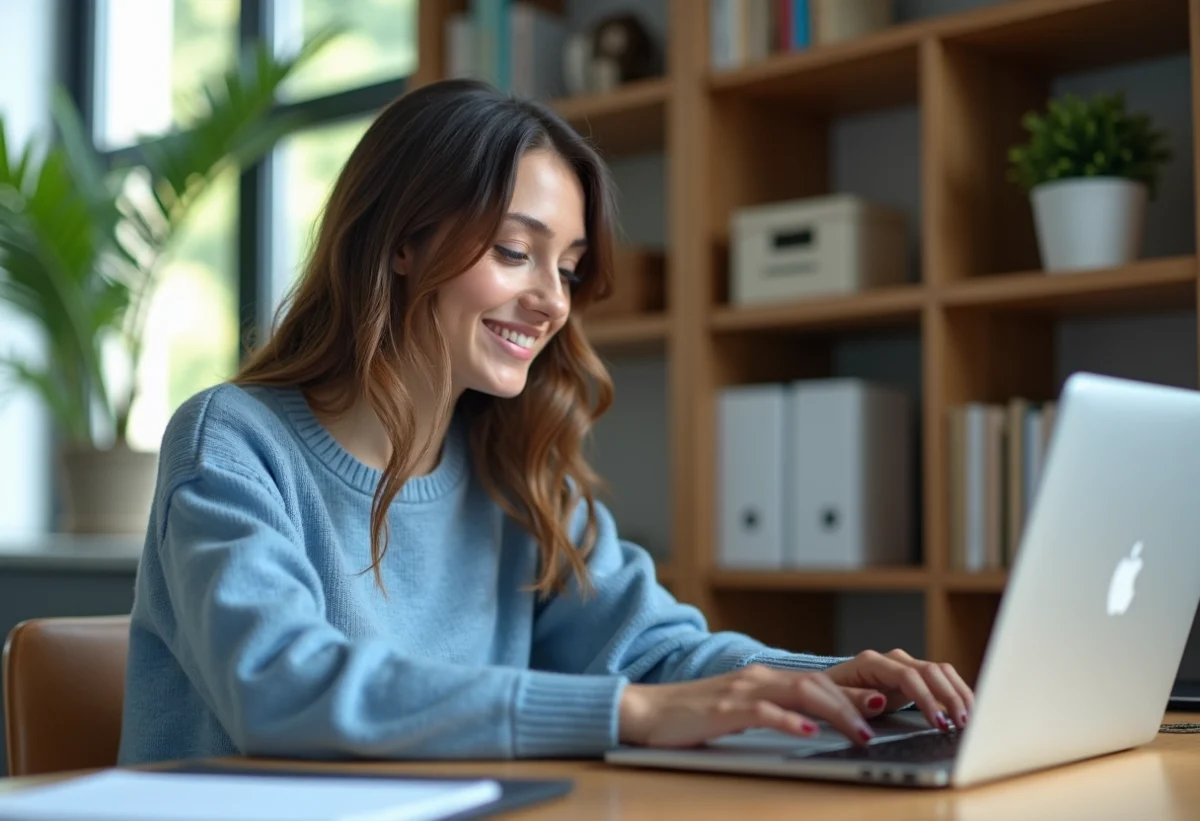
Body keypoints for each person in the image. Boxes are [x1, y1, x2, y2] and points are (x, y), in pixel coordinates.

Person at [116, 78, 973, 766]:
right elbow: (278, 685)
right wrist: (632, 713)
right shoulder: (232, 439)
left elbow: (656, 651)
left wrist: (831, 680)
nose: (552, 301)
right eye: (515, 252)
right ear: (402, 243)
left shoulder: (512, 466)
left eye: (566, 268)